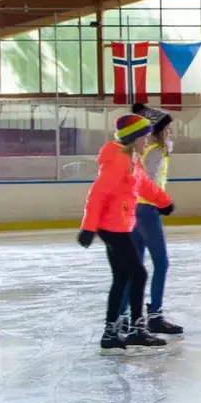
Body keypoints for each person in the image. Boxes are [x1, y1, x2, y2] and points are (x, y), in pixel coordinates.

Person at [78, 113, 176, 356]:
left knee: (123, 277)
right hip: (111, 226)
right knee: (138, 274)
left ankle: (112, 333)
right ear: (134, 137)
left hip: (120, 224)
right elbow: (97, 193)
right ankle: (135, 329)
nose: (147, 140)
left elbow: (143, 185)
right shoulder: (118, 160)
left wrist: (164, 202)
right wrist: (88, 227)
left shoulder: (130, 158)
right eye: (143, 136)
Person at [119, 103, 185, 339]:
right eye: (169, 129)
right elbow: (145, 181)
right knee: (161, 263)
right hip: (146, 211)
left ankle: (123, 318)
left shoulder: (144, 150)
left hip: (133, 210)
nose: (171, 133)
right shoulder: (155, 151)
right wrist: (161, 201)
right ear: (160, 131)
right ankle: (155, 316)